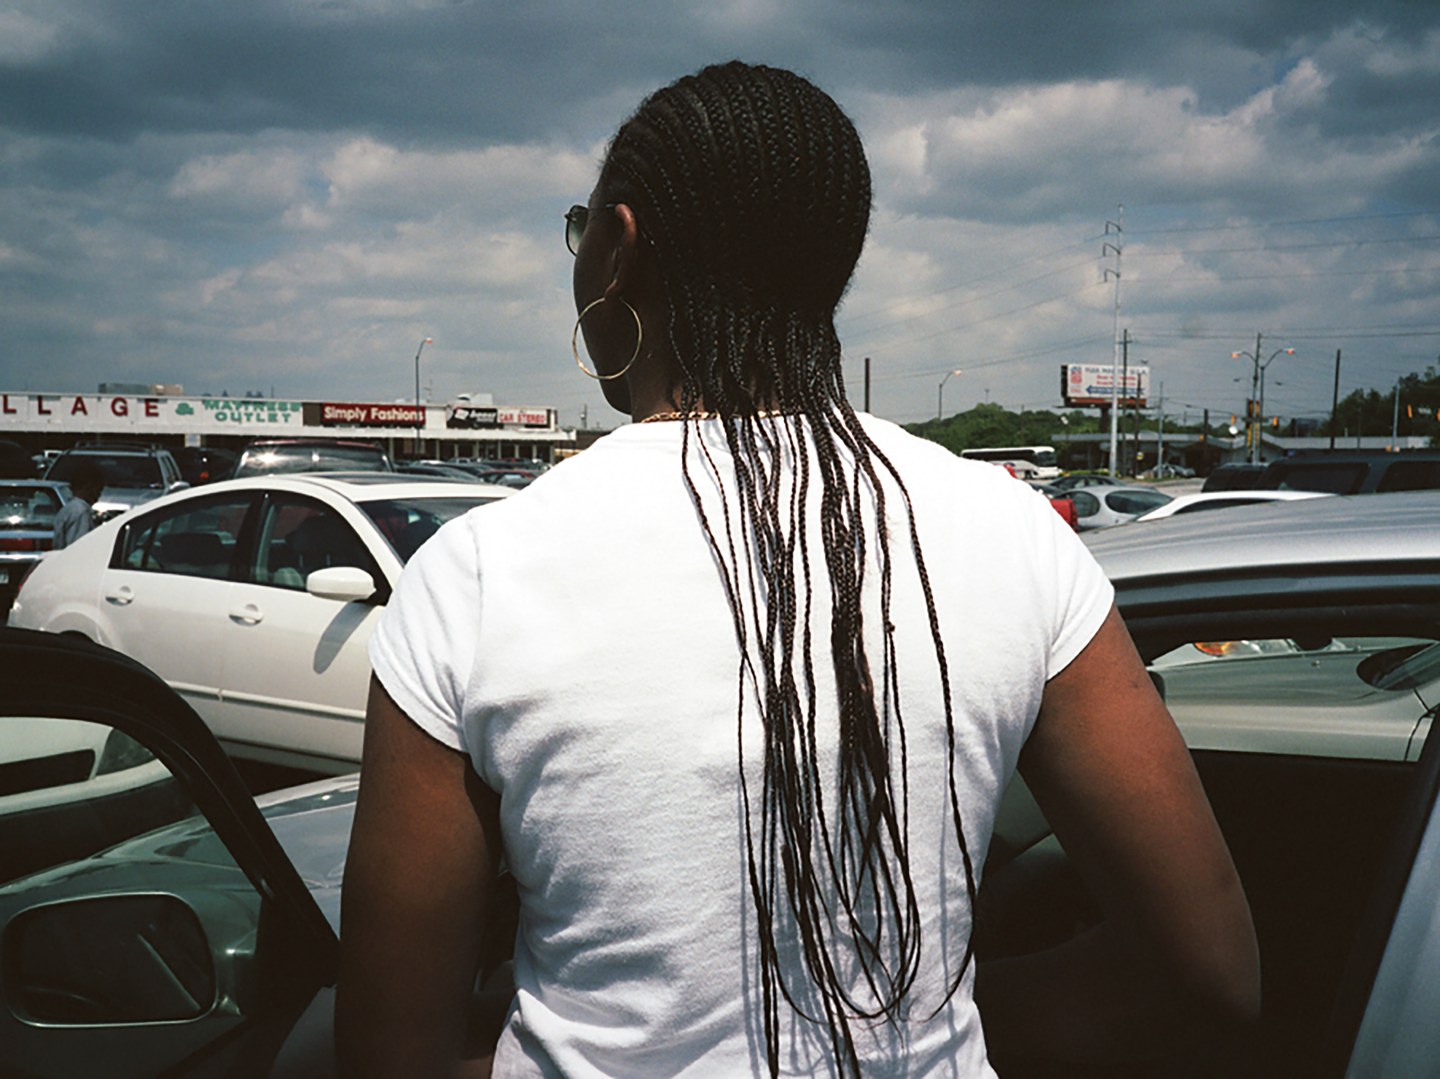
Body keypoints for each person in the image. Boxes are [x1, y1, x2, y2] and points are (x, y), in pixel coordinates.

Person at [338, 62, 1257, 1077]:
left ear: (620, 246)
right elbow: (1211, 972)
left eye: (579, 226)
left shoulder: (479, 572)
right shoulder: (1014, 532)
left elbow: (390, 1048)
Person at [51, 460, 103, 549]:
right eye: (99, 490)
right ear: (90, 487)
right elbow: (78, 546)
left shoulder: (67, 509)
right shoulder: (81, 511)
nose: (99, 495)